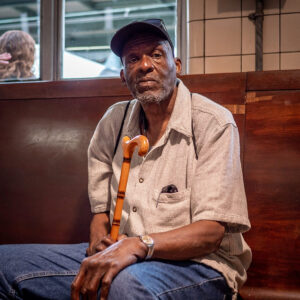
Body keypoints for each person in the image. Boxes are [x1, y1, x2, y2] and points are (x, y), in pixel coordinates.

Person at [0, 19, 251, 300]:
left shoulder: (213, 123)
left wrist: (137, 245)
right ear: (123, 75)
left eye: (156, 54)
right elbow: (100, 214)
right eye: (133, 58)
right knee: (3, 264)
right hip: (125, 258)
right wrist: (99, 242)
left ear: (176, 65)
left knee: (125, 285)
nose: (144, 65)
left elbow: (211, 234)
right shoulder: (114, 121)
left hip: (201, 266)